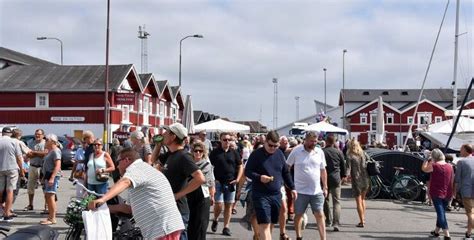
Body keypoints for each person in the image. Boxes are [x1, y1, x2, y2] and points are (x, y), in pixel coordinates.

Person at [89, 148, 184, 240]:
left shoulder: (136, 168)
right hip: (160, 228)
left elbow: (125, 182)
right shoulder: (137, 176)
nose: (117, 166)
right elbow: (128, 209)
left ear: (126, 160)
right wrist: (103, 208)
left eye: (118, 162)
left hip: (163, 227)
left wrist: (102, 199)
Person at [245, 131, 296, 240]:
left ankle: (260, 237)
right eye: (270, 145)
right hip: (260, 194)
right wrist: (259, 177)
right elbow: (247, 171)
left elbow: (285, 172)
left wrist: (292, 188)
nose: (273, 148)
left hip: (276, 195)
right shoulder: (256, 154)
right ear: (265, 142)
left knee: (272, 223)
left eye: (276, 146)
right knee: (264, 224)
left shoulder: (279, 154)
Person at [160, 123, 205, 240]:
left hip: (179, 210)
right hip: (169, 208)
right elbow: (153, 161)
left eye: (166, 132)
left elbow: (200, 178)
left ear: (173, 137)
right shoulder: (171, 154)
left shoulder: (184, 156)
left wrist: (178, 195)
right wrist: (158, 144)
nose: (163, 134)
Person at [286, 131, 328, 240]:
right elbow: (287, 167)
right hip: (300, 191)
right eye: (311, 141)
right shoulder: (296, 151)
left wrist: (325, 186)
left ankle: (323, 238)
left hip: (316, 191)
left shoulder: (319, 152)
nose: (314, 143)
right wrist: (290, 185)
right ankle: (298, 236)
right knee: (299, 215)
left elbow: (323, 170)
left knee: (320, 214)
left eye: (315, 141)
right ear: (305, 140)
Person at [210, 132, 243, 236]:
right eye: (224, 139)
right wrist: (213, 180)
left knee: (228, 205)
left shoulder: (234, 152)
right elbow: (209, 166)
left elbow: (240, 165)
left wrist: (238, 179)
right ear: (220, 140)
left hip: (231, 182)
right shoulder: (215, 152)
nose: (227, 141)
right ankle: (215, 219)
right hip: (218, 182)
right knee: (219, 204)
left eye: (229, 140)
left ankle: (226, 227)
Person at [422, 148, 453, 240]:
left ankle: (447, 234)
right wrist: (454, 193)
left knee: (440, 214)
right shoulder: (450, 166)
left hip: (436, 192)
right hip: (448, 192)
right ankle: (436, 231)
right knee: (441, 213)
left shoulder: (434, 165)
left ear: (434, 157)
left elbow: (424, 169)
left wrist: (426, 158)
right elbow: (452, 181)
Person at [187, 140, 215, 240]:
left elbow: (211, 182)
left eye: (200, 151)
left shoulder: (207, 165)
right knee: (190, 222)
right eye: (196, 151)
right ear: (192, 152)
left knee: (201, 223)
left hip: (203, 195)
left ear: (203, 152)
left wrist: (212, 196)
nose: (198, 153)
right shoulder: (188, 164)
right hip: (189, 194)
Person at [322, 134, 346, 232]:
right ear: (334, 142)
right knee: (337, 201)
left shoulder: (322, 152)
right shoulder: (338, 152)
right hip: (336, 178)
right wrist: (343, 176)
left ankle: (328, 220)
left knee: (325, 200)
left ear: (326, 141)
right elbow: (343, 165)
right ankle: (336, 222)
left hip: (324, 178)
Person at [0, 127, 24, 222]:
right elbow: (19, 157)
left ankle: (1, 210)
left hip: (0, 168)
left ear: (2, 133)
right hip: (12, 168)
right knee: (10, 191)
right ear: (10, 134)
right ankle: (7, 213)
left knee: (0, 190)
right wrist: (22, 170)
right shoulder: (14, 142)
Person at [345, 138, 370, 228]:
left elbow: (348, 169)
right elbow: (368, 161)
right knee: (363, 200)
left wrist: (345, 177)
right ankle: (363, 218)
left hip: (356, 180)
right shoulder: (362, 153)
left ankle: (361, 221)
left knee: (358, 201)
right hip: (365, 178)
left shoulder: (349, 155)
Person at [40, 134, 61, 225]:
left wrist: (52, 178)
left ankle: (52, 218)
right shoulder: (50, 151)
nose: (45, 141)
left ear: (52, 141)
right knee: (48, 196)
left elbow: (58, 165)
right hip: (48, 176)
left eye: (47, 140)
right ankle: (50, 216)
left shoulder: (56, 151)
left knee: (50, 196)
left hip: (52, 176)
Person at [24, 129, 47, 212]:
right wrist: (38, 153)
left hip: (42, 167)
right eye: (36, 134)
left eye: (39, 134)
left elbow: (44, 154)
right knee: (30, 187)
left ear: (43, 135)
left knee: (45, 187)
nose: (37, 136)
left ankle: (46, 206)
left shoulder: (45, 143)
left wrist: (34, 153)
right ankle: (30, 205)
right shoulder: (31, 143)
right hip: (32, 167)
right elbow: (28, 154)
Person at [454, 144, 474, 239]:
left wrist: (455, 192)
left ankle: (470, 232)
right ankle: (468, 233)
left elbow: (457, 179)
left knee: (470, 213)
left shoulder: (461, 162)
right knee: (472, 213)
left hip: (467, 191)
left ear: (466, 150)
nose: (460, 151)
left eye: (461, 149)